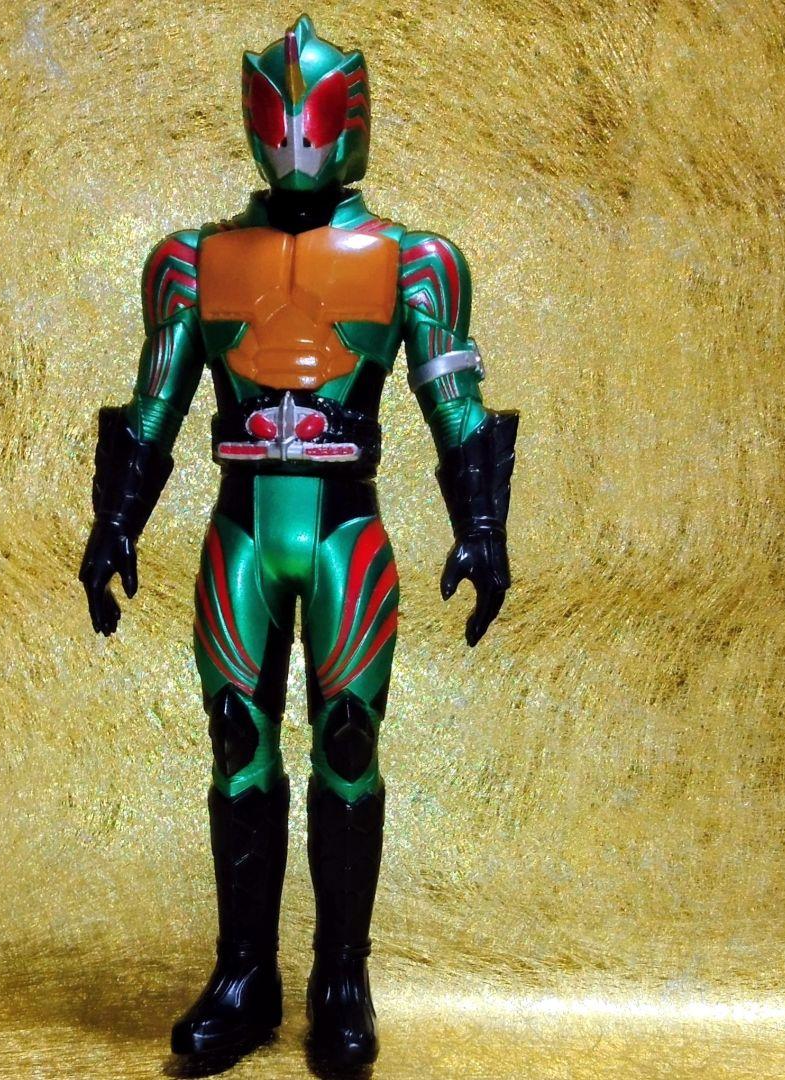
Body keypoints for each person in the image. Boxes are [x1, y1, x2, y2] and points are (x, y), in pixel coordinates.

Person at [79, 15, 518, 1068]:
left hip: (342, 529)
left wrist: (481, 525)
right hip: (242, 525)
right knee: (237, 739)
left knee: (347, 744)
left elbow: (453, 404)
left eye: (312, 121)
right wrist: (114, 522)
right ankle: (244, 974)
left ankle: (339, 977)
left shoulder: (413, 262)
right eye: (279, 120)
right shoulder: (192, 261)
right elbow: (154, 402)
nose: (295, 141)